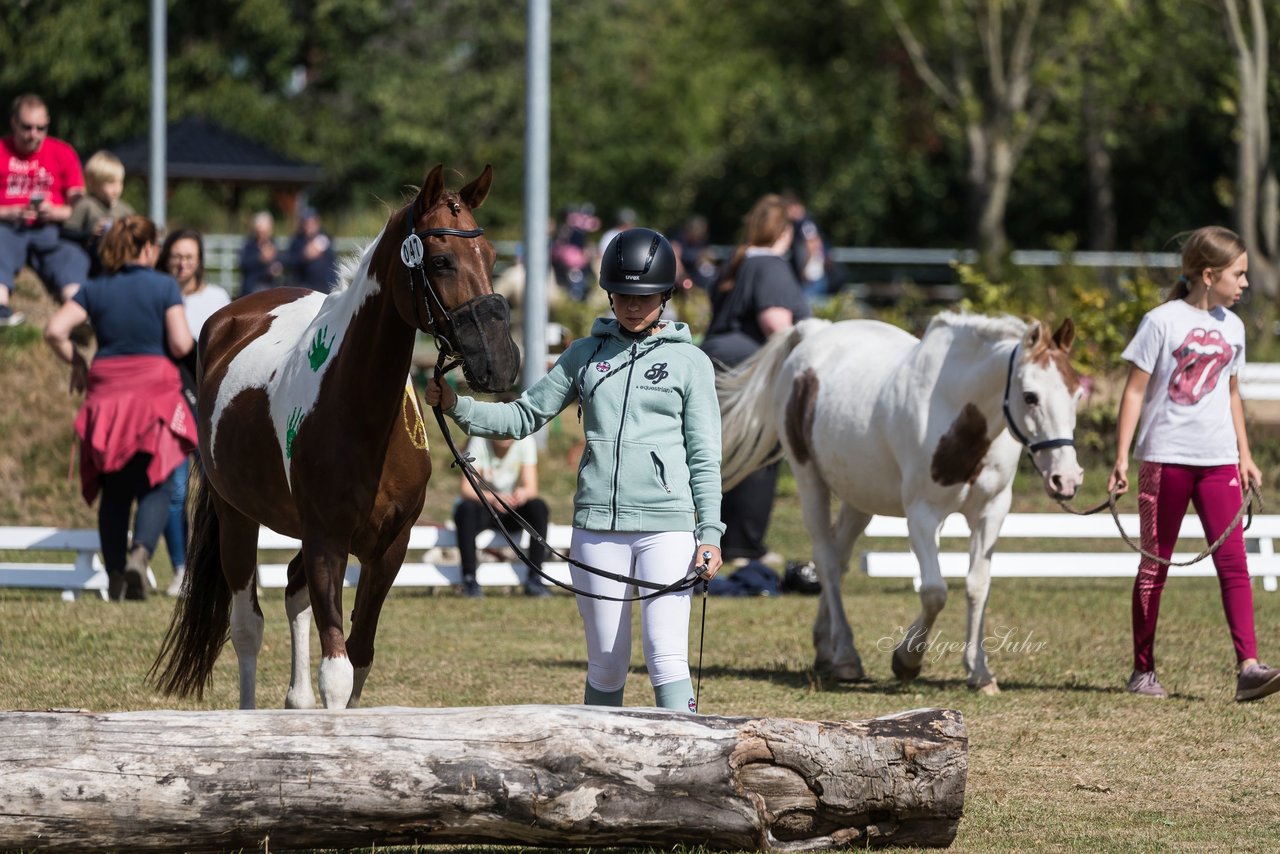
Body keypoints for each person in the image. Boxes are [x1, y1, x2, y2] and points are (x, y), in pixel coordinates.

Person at [424, 227, 725, 713]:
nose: (632, 306)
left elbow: (704, 455)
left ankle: (689, 767)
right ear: (609, 293)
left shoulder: (691, 362)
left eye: (644, 297)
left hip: (668, 530)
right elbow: (523, 417)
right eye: (624, 295)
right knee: (606, 663)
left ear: (666, 295)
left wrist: (709, 533)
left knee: (665, 658)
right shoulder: (584, 355)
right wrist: (459, 406)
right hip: (597, 530)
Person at [1108, 225, 1280, 703]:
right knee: (1154, 565)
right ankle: (1143, 670)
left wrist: (1244, 455)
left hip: (1219, 460)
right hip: (1166, 459)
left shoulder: (1236, 328)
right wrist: (1123, 455)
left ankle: (1248, 668)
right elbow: (1135, 391)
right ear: (1209, 274)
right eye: (1238, 274)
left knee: (1234, 565)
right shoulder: (1161, 322)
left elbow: (1231, 393)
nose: (1245, 283)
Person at [43, 215, 196, 601]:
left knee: (114, 488)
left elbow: (54, 330)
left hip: (107, 391)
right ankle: (140, 556)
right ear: (147, 248)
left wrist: (77, 361)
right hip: (153, 390)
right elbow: (179, 344)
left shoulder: (94, 288)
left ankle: (114, 577)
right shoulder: (163, 285)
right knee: (158, 481)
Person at [700, 194, 810, 566]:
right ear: (784, 231)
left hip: (713, 361)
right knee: (757, 452)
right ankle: (743, 545)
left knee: (714, 452)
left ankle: (713, 535)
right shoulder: (771, 266)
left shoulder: (738, 261)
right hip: (748, 369)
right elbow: (776, 325)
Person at [157, 228, 229, 597]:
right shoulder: (159, 293)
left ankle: (224, 568)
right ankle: (181, 568)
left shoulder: (217, 297)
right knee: (175, 490)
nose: (183, 264)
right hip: (168, 402)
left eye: (189, 256)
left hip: (209, 404)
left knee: (220, 489)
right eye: (176, 257)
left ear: (199, 259)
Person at [0, 93, 90, 325]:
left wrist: (56, 212)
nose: (34, 135)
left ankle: (79, 317)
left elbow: (80, 205)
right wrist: (8, 212)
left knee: (71, 258)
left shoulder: (62, 152)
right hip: (7, 227)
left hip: (51, 230)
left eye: (41, 128)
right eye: (27, 127)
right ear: (14, 123)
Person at [453, 434, 551, 599]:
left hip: (509, 508)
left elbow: (531, 488)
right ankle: (469, 579)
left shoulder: (526, 442)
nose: (505, 435)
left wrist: (523, 494)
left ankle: (535, 578)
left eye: (510, 429)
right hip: (482, 508)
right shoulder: (478, 441)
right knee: (466, 509)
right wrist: (493, 498)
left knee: (538, 507)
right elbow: (466, 489)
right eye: (500, 429)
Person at [63, 150, 135, 278]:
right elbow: (67, 233)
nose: (116, 188)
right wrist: (90, 233)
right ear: (93, 184)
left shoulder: (125, 210)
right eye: (110, 183)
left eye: (120, 182)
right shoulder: (86, 205)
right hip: (92, 264)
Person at [782, 193, 834, 303]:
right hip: (814, 274)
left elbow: (812, 245)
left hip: (812, 274)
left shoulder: (805, 223)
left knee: (807, 304)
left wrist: (803, 269)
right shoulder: (804, 222)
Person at [284, 207, 337, 293]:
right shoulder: (297, 241)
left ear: (317, 222)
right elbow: (289, 262)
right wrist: (304, 256)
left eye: (312, 222)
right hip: (304, 289)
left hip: (325, 288)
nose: (309, 226)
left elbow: (332, 263)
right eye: (306, 223)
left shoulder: (326, 238)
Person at [238, 210, 282, 296]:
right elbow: (243, 263)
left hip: (271, 288)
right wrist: (260, 259)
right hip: (252, 290)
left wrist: (277, 268)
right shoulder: (249, 245)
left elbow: (283, 261)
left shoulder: (273, 244)